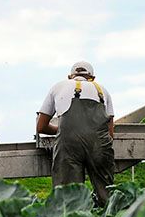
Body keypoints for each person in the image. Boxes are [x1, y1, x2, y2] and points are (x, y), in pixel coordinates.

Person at [36, 61, 115, 205]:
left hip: (69, 145)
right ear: (92, 77)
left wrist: (61, 130)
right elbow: (110, 134)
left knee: (69, 198)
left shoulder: (58, 87)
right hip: (99, 145)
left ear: (70, 76)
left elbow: (41, 126)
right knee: (107, 196)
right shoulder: (103, 91)